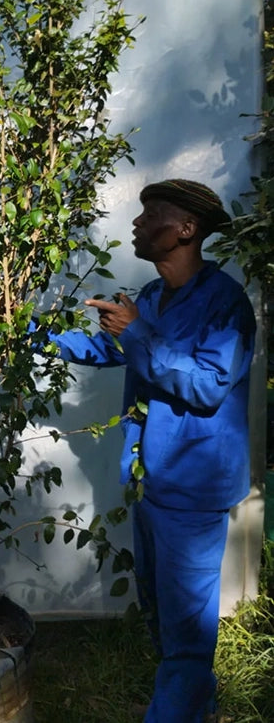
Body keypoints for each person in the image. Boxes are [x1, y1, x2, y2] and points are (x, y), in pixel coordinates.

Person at [36, 179, 256, 723]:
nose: (137, 223)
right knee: (161, 612)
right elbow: (105, 349)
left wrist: (136, 334)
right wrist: (32, 332)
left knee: (185, 632)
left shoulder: (225, 304)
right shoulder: (154, 298)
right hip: (151, 480)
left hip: (194, 486)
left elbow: (207, 385)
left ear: (185, 229)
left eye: (151, 212)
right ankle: (194, 706)